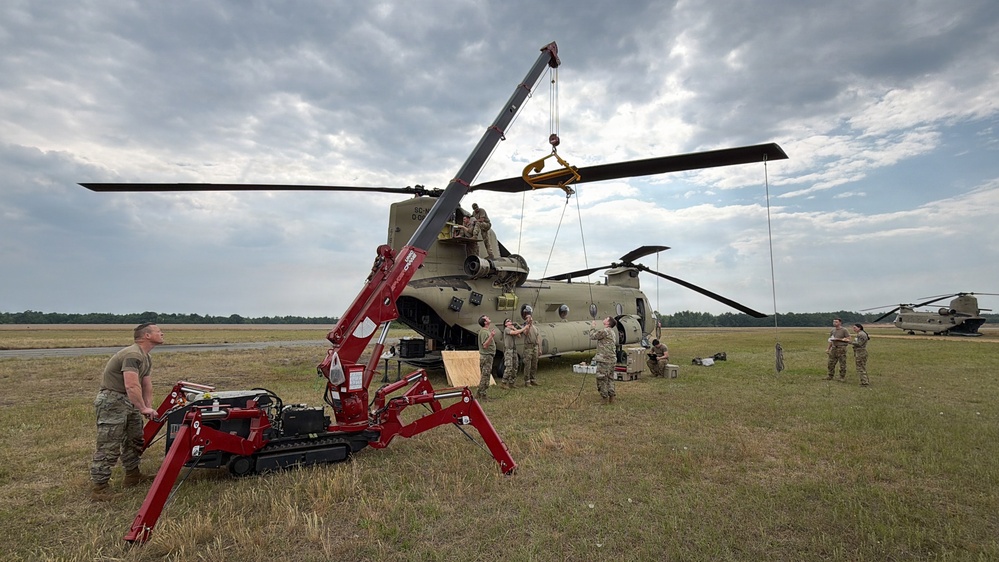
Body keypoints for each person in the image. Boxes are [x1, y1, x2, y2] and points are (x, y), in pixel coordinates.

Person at [89, 322, 163, 501]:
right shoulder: (132, 354)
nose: (162, 334)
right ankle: (99, 488)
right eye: (158, 331)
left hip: (129, 402)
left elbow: (146, 384)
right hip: (113, 402)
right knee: (109, 445)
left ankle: (132, 476)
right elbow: (131, 384)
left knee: (134, 440)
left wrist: (147, 406)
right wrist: (143, 407)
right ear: (146, 336)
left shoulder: (146, 357)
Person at [589, 316, 618, 404]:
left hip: (604, 359)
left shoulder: (605, 331)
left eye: (606, 318)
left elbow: (592, 336)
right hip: (612, 359)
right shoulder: (612, 332)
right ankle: (611, 397)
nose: (604, 319)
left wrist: (592, 326)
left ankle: (604, 398)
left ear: (608, 322)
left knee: (601, 378)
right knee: (610, 378)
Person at [501, 318, 528, 388]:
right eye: (508, 321)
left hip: (514, 350)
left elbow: (519, 335)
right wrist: (524, 328)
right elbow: (515, 333)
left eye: (510, 321)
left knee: (515, 366)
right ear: (505, 324)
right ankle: (503, 382)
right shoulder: (506, 329)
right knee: (509, 367)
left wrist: (514, 328)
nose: (510, 322)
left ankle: (511, 382)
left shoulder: (512, 329)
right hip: (508, 350)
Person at [477, 315, 496, 401]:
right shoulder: (484, 332)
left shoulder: (485, 331)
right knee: (486, 376)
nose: (489, 317)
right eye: (487, 318)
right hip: (486, 356)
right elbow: (484, 345)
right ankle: (483, 395)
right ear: (485, 322)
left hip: (488, 356)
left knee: (485, 375)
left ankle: (478, 393)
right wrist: (491, 336)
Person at [521, 314, 541, 387]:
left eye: (530, 317)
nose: (530, 319)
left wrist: (539, 348)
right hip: (528, 347)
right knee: (527, 365)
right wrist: (528, 326)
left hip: (535, 346)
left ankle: (533, 379)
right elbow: (525, 333)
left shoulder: (535, 328)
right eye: (527, 318)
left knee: (534, 364)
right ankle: (527, 381)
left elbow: (538, 338)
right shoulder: (524, 327)